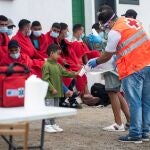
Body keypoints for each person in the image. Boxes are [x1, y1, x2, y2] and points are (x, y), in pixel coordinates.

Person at [88, 9, 150, 143]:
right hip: (148, 63)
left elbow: (107, 55)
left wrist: (96, 61)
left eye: (105, 26)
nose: (106, 28)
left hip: (133, 67)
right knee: (145, 101)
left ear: (110, 21)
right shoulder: (133, 21)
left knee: (134, 102)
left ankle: (135, 134)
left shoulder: (115, 31)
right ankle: (145, 132)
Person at [58, 22, 100, 105]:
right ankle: (84, 94)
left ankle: (86, 94)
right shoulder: (69, 40)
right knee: (81, 70)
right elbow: (70, 55)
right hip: (67, 61)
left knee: (94, 56)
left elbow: (80, 53)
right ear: (79, 30)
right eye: (82, 31)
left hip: (73, 60)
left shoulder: (76, 40)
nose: (68, 31)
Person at [42, 44, 78, 133]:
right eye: (58, 54)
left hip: (57, 93)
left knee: (55, 108)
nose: (59, 56)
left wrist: (74, 73)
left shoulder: (57, 65)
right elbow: (45, 79)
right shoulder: (46, 65)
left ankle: (53, 123)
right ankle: (47, 125)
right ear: (51, 53)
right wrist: (52, 89)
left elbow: (65, 73)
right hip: (50, 93)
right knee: (49, 108)